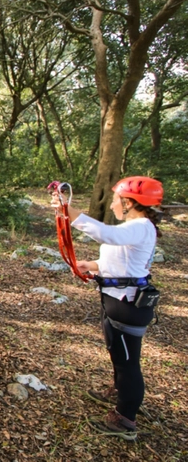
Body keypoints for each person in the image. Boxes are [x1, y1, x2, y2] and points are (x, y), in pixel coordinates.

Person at [51, 176, 163, 440]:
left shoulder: (140, 226)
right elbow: (124, 261)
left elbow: (108, 235)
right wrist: (92, 265)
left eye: (115, 199)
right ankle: (120, 392)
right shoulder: (135, 227)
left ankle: (125, 419)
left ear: (128, 202)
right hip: (117, 300)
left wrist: (69, 211)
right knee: (119, 355)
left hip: (126, 306)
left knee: (127, 364)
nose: (112, 204)